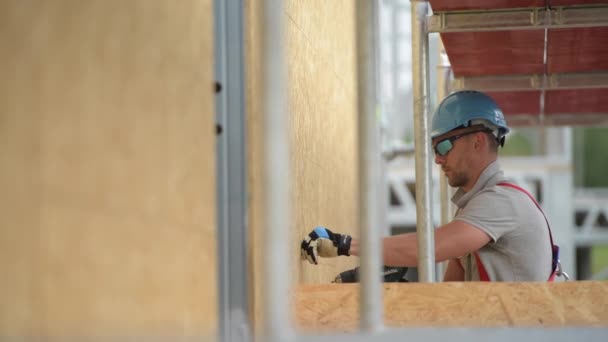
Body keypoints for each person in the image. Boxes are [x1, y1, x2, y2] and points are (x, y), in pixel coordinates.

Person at [301, 90, 561, 282]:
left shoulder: (501, 202)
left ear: (478, 141)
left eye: (444, 145)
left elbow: (428, 249)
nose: (437, 158)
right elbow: (448, 298)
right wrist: (394, 295)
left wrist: (344, 244)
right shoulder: (475, 211)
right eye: (435, 148)